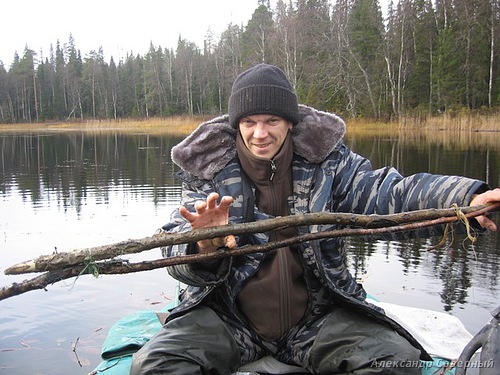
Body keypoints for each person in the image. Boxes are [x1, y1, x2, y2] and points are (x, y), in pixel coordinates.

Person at [130, 63, 500, 375]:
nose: (260, 134)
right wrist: (203, 245)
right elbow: (175, 250)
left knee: (398, 363)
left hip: (318, 317)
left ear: (290, 122)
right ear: (236, 124)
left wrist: (465, 199)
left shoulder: (329, 164)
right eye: (250, 122)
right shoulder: (208, 172)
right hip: (228, 318)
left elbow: (390, 193)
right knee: (155, 365)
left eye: (272, 120)